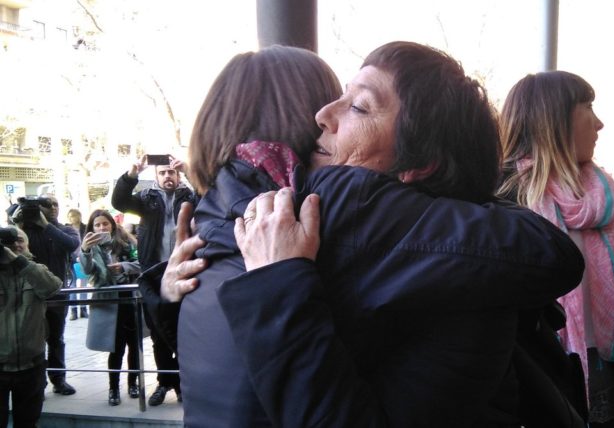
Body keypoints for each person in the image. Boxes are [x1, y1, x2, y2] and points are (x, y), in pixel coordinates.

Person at [151, 43, 586, 427]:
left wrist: (264, 282)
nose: (322, 115)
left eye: (358, 107)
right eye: (338, 95)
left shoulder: (328, 217)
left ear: (420, 164)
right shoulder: (290, 222)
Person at [496, 70, 614, 427]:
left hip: (609, 360)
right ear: (553, 119)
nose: (600, 124)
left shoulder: (603, 194)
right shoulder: (501, 199)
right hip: (539, 369)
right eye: (588, 107)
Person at [111, 154, 197, 406]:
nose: (168, 176)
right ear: (156, 176)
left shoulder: (190, 196)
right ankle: (165, 382)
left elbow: (209, 195)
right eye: (162, 172)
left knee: (184, 332)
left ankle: (182, 384)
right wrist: (131, 175)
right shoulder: (145, 199)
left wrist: (190, 171)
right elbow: (119, 202)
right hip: (154, 275)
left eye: (172, 172)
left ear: (178, 175)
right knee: (159, 334)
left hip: (185, 273)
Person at [9, 194, 80, 396]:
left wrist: (45, 224)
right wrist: (18, 221)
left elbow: (71, 244)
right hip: (29, 294)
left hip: (57, 293)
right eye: (47, 204)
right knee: (33, 339)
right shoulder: (23, 231)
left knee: (56, 338)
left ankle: (59, 379)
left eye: (55, 204)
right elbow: (10, 248)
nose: (52, 207)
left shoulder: (64, 229)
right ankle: (37, 383)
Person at [0, 226, 62, 428]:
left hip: (31, 366)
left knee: (27, 423)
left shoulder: (36, 270)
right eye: (7, 242)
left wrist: (18, 261)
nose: (14, 245)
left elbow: (52, 287)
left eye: (19, 240)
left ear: (27, 245)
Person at [79, 209, 143, 406]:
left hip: (130, 297)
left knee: (134, 346)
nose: (101, 228)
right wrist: (85, 250)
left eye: (105, 224)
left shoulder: (127, 242)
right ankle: (113, 388)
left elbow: (142, 263)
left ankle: (133, 383)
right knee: (115, 348)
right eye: (97, 225)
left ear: (112, 225)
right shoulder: (91, 246)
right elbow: (87, 270)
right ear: (91, 228)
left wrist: (124, 267)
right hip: (108, 301)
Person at [65, 208, 88, 321]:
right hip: (71, 260)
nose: (72, 218)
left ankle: (83, 309)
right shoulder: (66, 229)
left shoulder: (85, 228)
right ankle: (73, 310)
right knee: (73, 284)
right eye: (70, 216)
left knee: (83, 284)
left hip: (84, 258)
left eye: (74, 215)